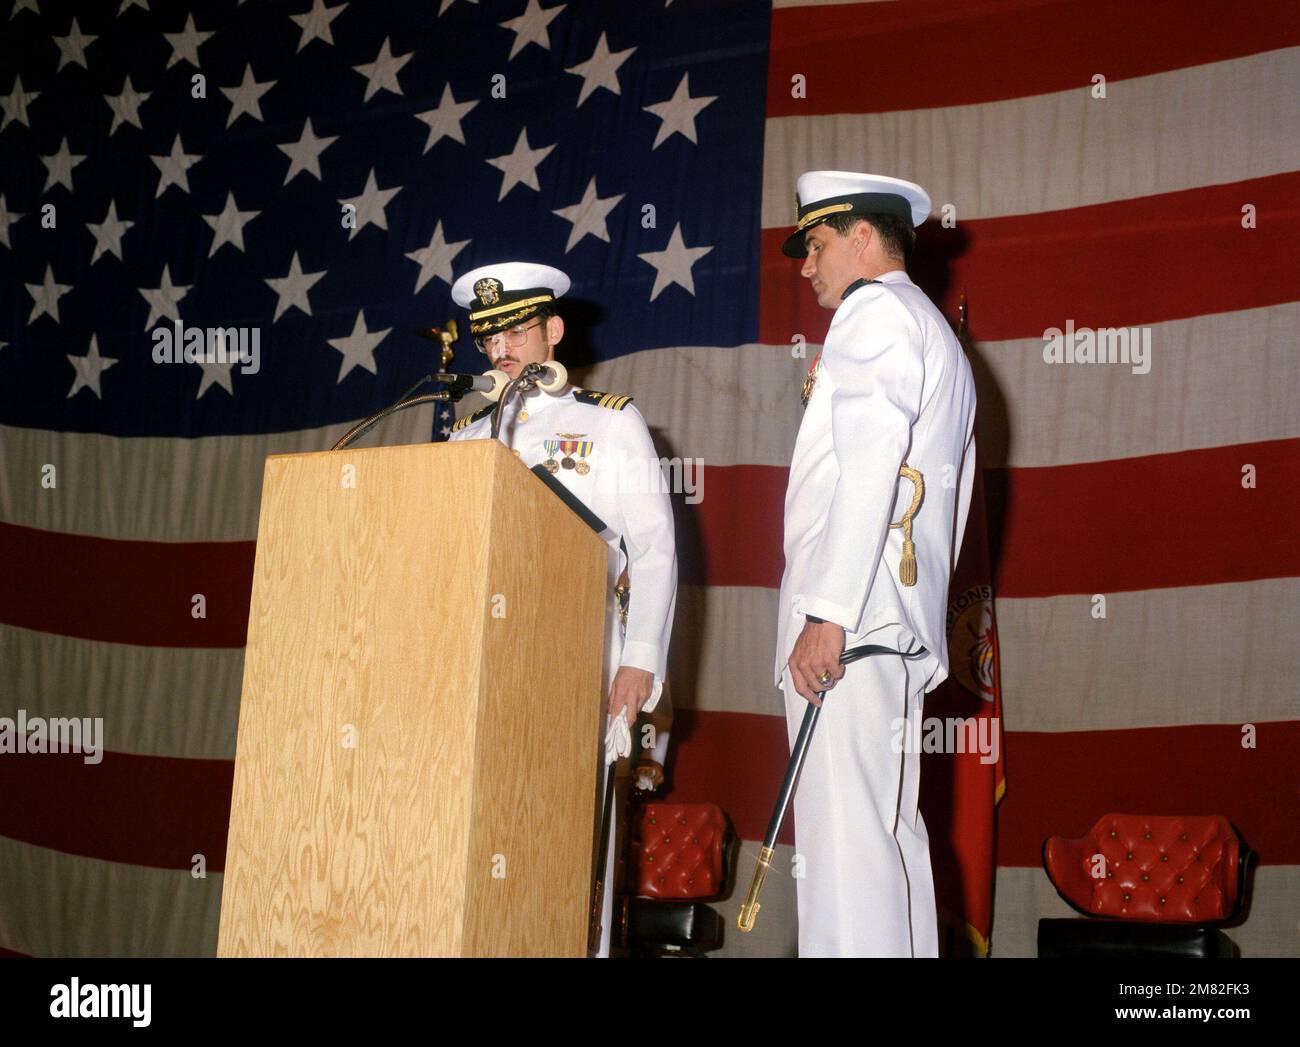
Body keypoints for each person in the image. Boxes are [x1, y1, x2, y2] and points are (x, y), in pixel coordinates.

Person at [447, 261, 677, 957]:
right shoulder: (467, 437)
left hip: (582, 660)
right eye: (489, 338)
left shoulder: (609, 423)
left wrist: (639, 664)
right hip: (485, 673)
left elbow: (657, 549)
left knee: (574, 853)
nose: (502, 349)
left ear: (553, 331)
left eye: (516, 330)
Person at [776, 171, 977, 957]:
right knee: (890, 841)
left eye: (817, 245)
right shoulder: (928, 328)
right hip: (888, 625)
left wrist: (827, 614)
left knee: (844, 850)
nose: (806, 266)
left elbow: (869, 468)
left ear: (863, 237)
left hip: (851, 623)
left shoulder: (873, 313)